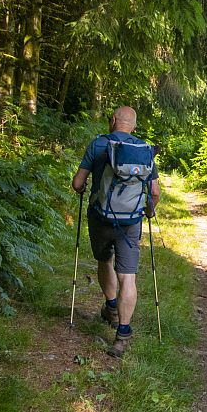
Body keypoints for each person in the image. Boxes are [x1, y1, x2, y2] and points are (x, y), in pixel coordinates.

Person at [72, 106, 160, 357]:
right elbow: (154, 192)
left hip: (100, 218)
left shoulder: (98, 144)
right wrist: (149, 211)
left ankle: (111, 308)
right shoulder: (143, 149)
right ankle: (122, 334)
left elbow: (77, 183)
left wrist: (83, 189)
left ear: (112, 121)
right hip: (130, 222)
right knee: (127, 277)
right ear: (134, 126)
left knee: (104, 260)